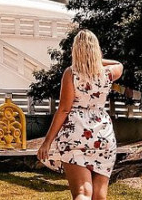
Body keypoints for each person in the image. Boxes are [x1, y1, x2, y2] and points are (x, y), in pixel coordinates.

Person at [38, 29, 124, 200]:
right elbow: (119, 64)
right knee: (100, 195)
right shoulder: (109, 73)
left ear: (75, 50)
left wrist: (47, 142)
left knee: (83, 193)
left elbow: (64, 109)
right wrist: (95, 60)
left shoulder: (71, 73)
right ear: (96, 49)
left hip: (76, 133)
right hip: (103, 133)